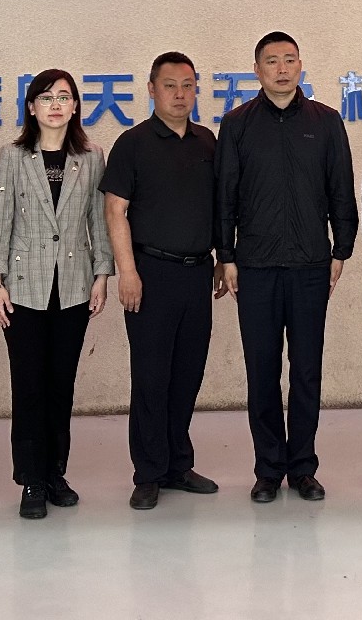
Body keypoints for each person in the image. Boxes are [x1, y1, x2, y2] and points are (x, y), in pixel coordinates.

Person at [216, 32, 356, 503]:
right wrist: (226, 256)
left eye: (289, 59)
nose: (281, 68)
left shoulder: (326, 121)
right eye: (271, 61)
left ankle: (303, 468)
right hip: (254, 266)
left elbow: (341, 190)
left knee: (307, 371)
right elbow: (225, 196)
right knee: (261, 371)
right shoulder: (237, 124)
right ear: (257, 70)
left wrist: (340, 252)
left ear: (300, 66)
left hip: (311, 265)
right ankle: (268, 469)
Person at [0, 68, 113, 517]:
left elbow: (99, 221)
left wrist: (102, 274)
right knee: (29, 386)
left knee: (61, 385)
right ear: (31, 107)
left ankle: (56, 473)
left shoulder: (92, 157)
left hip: (74, 287)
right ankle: (31, 480)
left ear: (75, 106)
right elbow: (0, 220)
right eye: (46, 97)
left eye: (63, 97)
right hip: (23, 289)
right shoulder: (13, 156)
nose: (55, 104)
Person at [103, 52, 223, 510]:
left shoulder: (207, 141)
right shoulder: (133, 143)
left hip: (197, 273)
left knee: (188, 374)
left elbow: (218, 207)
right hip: (149, 274)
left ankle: (178, 464)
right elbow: (115, 211)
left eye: (188, 85)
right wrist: (127, 271)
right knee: (152, 377)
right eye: (170, 85)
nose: (179, 94)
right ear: (151, 89)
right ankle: (149, 472)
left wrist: (221, 258)